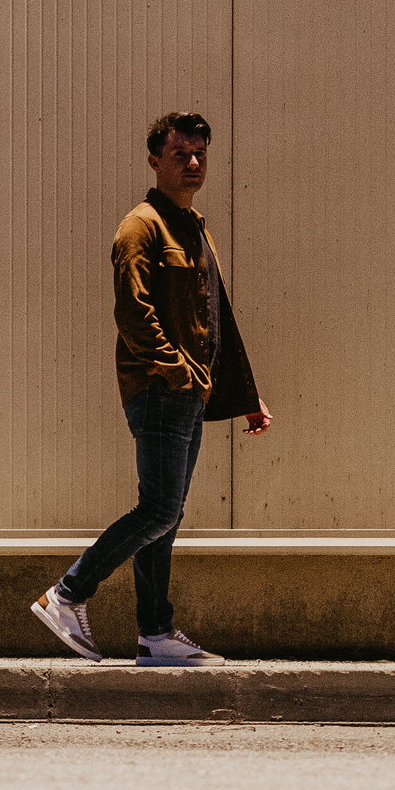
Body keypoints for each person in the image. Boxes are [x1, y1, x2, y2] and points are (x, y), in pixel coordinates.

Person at [31, 111, 272, 666]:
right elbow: (132, 312)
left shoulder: (194, 228)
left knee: (167, 514)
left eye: (200, 155)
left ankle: (155, 635)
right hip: (161, 388)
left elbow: (216, 318)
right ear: (154, 160)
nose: (192, 164)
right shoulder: (141, 226)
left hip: (190, 391)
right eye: (180, 154)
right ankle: (66, 594)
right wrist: (175, 370)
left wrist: (244, 393)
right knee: (160, 508)